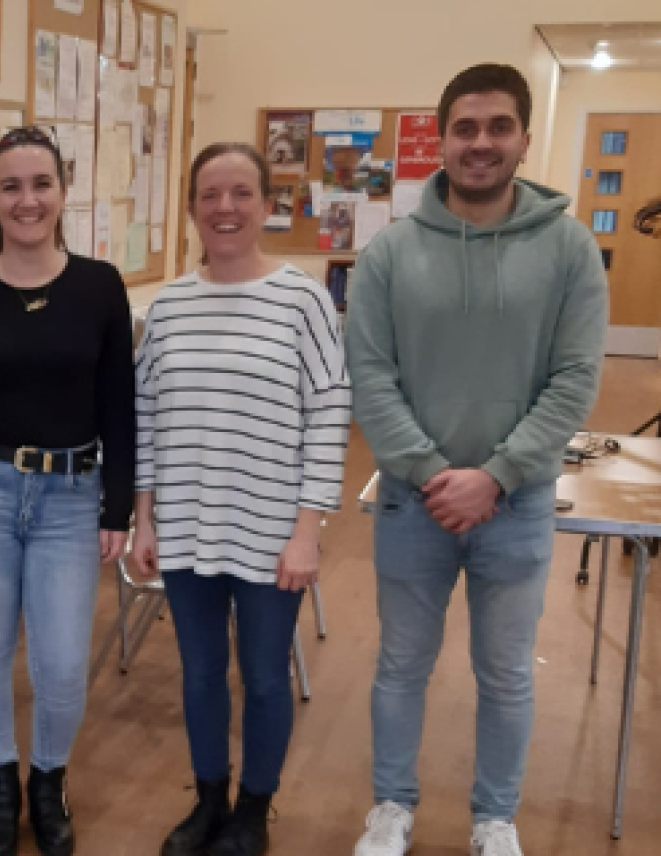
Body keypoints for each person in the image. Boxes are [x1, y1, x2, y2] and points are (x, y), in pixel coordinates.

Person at [346, 64, 608, 856]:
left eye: (499, 127)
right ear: (443, 138)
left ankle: (495, 819)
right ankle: (390, 809)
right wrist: (433, 475)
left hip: (517, 502)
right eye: (465, 127)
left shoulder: (568, 251)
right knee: (399, 667)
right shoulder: (390, 253)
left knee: (507, 676)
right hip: (410, 503)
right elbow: (371, 375)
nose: (481, 143)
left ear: (526, 139)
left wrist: (495, 475)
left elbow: (575, 380)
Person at [0, 125, 135, 856]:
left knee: (63, 661)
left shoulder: (99, 286)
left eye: (41, 184)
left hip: (71, 494)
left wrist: (118, 506)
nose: (28, 199)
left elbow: (117, 404)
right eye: (12, 186)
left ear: (63, 191)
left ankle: (48, 781)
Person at [131, 142, 350, 856]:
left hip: (269, 531)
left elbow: (328, 410)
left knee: (261, 676)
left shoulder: (303, 299)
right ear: (193, 206)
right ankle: (208, 801)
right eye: (210, 195)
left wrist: (307, 530)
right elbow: (146, 416)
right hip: (188, 527)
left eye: (241, 194)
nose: (224, 209)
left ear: (265, 205)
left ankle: (254, 808)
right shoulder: (169, 307)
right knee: (199, 675)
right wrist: (143, 518)